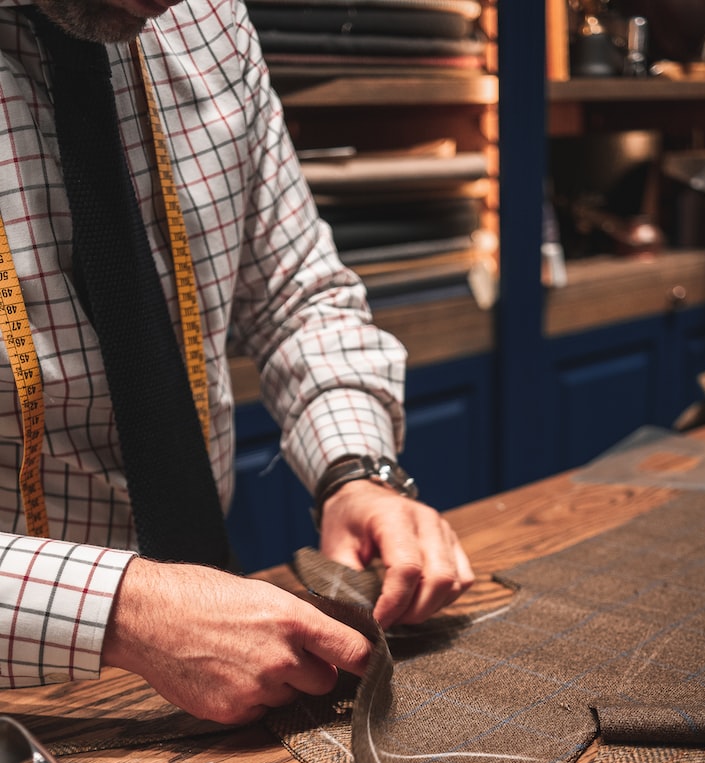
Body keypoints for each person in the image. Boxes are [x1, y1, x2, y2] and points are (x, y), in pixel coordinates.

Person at [0, 0, 474, 724]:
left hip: (223, 674)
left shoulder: (207, 19)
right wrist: (123, 612)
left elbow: (295, 293)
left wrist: (356, 473)